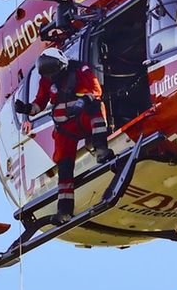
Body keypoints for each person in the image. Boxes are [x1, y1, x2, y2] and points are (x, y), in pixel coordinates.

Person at [14, 48, 111, 223]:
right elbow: (40, 103)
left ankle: (101, 150)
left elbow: (95, 91)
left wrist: (83, 101)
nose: (52, 75)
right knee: (64, 168)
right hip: (65, 128)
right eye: (48, 72)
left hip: (83, 117)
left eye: (53, 69)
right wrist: (26, 109)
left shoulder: (80, 70)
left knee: (96, 109)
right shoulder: (46, 81)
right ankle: (64, 210)